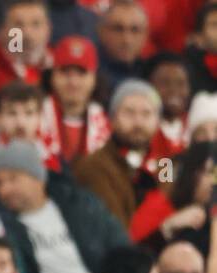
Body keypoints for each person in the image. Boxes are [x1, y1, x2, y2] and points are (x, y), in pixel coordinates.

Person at [0, 140, 127, 273]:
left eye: (13, 179)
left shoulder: (81, 205)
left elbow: (121, 250)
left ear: (38, 179)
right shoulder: (2, 226)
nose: (4, 189)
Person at [72, 79, 166, 230]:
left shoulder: (164, 163)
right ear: (112, 119)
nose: (138, 122)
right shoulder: (94, 166)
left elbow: (169, 202)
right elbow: (114, 228)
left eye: (146, 113)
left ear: (157, 121)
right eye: (129, 112)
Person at [129, 141, 213, 255]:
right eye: (206, 172)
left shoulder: (208, 212)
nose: (212, 181)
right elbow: (133, 254)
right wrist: (167, 228)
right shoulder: (157, 205)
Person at [40, 36, 109, 171]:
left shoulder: (107, 126)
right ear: (52, 76)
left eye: (81, 73)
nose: (73, 82)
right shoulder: (33, 117)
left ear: (94, 78)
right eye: (65, 72)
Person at [0, 0, 53, 92]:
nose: (27, 34)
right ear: (3, 31)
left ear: (48, 29)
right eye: (18, 25)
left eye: (36, 24)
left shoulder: (61, 63)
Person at [97, 0, 150, 96]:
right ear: (101, 32)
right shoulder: (89, 75)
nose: (127, 40)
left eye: (135, 30)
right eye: (118, 29)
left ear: (145, 35)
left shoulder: (151, 75)